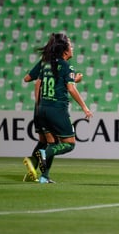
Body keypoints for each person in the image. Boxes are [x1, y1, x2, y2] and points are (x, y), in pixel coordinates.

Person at [34, 33, 92, 184]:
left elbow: (39, 83)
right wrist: (85, 107)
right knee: (69, 144)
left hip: (42, 109)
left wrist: (74, 79)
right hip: (57, 109)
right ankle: (43, 155)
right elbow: (71, 89)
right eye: (70, 46)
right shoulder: (66, 66)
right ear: (65, 51)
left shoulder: (47, 64)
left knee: (52, 142)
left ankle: (44, 176)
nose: (72, 48)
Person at [22, 58, 83, 182]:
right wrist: (73, 80)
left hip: (41, 106)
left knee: (47, 141)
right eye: (68, 44)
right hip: (51, 106)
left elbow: (28, 79)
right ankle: (35, 162)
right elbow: (58, 86)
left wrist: (38, 103)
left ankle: (40, 174)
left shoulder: (45, 61)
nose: (71, 47)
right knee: (54, 143)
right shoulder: (59, 64)